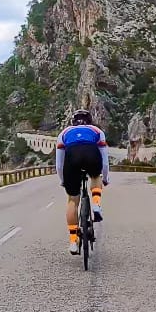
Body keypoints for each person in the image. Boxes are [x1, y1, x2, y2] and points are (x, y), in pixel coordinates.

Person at [55, 108, 109, 255]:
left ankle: (73, 240)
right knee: (95, 177)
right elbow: (104, 161)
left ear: (73, 122)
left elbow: (59, 164)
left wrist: (63, 180)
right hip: (92, 153)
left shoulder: (64, 133)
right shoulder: (96, 130)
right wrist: (105, 177)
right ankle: (96, 205)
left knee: (72, 200)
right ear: (89, 120)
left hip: (72, 157)